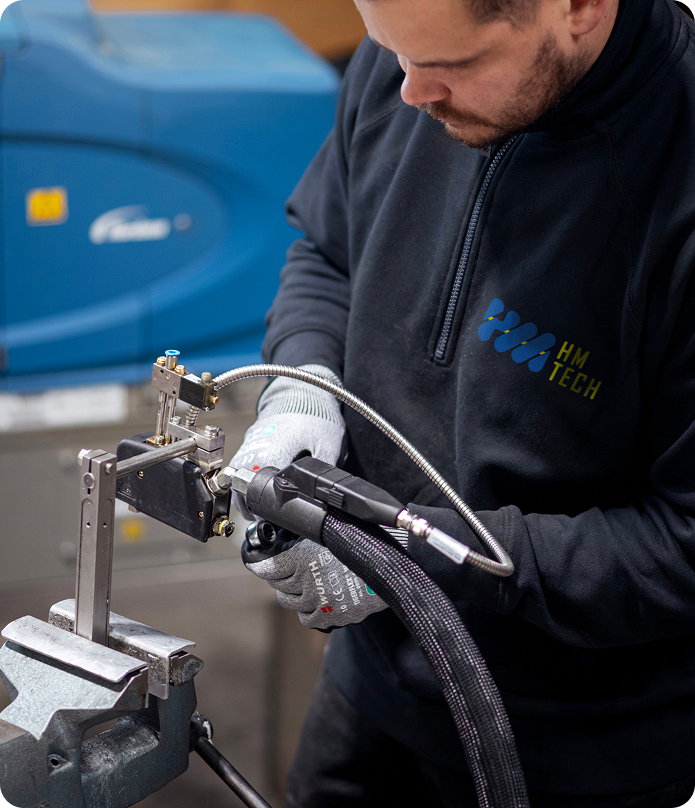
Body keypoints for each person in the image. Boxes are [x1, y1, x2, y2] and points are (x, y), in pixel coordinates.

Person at [230, 0, 695, 804]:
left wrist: (422, 557)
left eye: (451, 66)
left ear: (579, 7)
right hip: (372, 692)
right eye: (390, 51)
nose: (408, 92)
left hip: (584, 753)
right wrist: (301, 387)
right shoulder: (411, 57)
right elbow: (327, 253)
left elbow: (681, 544)